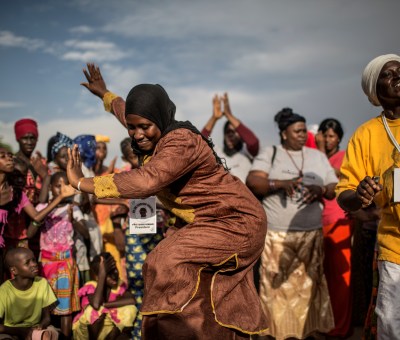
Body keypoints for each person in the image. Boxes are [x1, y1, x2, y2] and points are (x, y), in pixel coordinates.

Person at [66, 63, 269, 339]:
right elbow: (126, 112)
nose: (137, 134)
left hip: (235, 222)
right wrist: (105, 94)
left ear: (160, 120)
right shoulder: (151, 134)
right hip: (205, 222)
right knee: (201, 290)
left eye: (145, 126)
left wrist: (82, 183)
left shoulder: (180, 141)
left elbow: (146, 181)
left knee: (163, 262)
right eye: (132, 128)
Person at [246, 107, 337, 339]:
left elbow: (334, 188)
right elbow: (253, 181)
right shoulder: (271, 153)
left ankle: (308, 331)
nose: (301, 134)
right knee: (276, 289)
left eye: (303, 130)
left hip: (311, 234)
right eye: (296, 130)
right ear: (284, 133)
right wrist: (279, 183)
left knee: (309, 286)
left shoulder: (316, 156)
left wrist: (321, 189)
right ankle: (275, 333)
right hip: (278, 236)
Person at [336, 53, 400, 338]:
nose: (398, 76)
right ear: (375, 90)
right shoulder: (366, 134)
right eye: (388, 74)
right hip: (395, 247)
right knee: (391, 325)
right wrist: (360, 193)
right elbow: (344, 194)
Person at [30, 172, 83, 339]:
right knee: (45, 304)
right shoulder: (41, 208)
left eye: (65, 185)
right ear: (50, 188)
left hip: (65, 262)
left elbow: (86, 234)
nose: (61, 189)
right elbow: (30, 232)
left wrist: (74, 219)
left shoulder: (73, 208)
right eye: (57, 185)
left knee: (65, 309)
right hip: (45, 262)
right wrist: (58, 200)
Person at [315, 118, 353, 337]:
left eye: (331, 136)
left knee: (340, 277)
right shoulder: (317, 155)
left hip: (339, 220)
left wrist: (319, 150)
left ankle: (340, 328)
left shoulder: (344, 156)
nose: (328, 140)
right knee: (325, 277)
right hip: (318, 221)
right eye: (324, 135)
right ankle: (326, 324)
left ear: (338, 137)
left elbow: (329, 176)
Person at [72, 252, 137, 340]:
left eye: (115, 269)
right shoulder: (91, 286)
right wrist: (102, 274)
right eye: (108, 274)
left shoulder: (118, 286)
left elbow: (132, 300)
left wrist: (106, 305)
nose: (114, 275)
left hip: (107, 332)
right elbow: (96, 304)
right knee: (95, 311)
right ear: (98, 276)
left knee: (130, 309)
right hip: (87, 334)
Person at [0, 248, 59, 340]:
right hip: (11, 330)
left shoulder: (42, 283)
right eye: (27, 263)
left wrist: (41, 326)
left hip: (34, 328)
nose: (34, 264)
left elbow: (47, 317)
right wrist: (21, 331)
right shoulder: (4, 290)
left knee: (48, 336)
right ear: (14, 270)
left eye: (34, 260)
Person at [201, 93, 259, 183]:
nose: (231, 135)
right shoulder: (217, 153)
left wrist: (229, 115)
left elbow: (253, 143)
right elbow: (199, 144)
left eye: (235, 131)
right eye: (228, 132)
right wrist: (214, 118)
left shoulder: (247, 152)